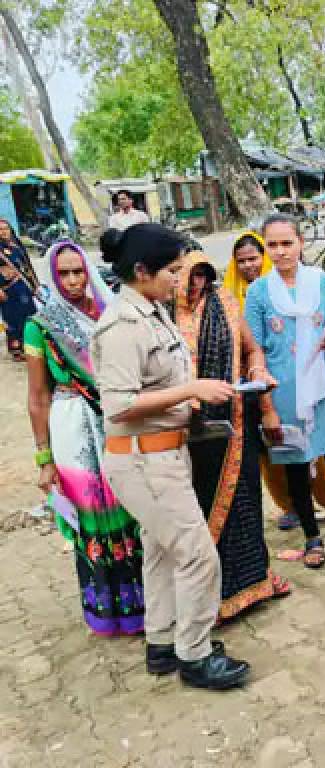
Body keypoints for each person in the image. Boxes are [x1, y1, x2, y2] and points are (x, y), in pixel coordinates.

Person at [92, 222, 249, 690]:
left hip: (162, 455)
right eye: (172, 272)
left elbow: (156, 387)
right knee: (199, 557)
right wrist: (190, 389)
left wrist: (189, 399)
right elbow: (118, 405)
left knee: (161, 553)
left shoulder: (151, 313)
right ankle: (196, 656)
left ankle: (162, 643)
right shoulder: (121, 326)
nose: (179, 281)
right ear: (141, 271)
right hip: (142, 460)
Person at [24, 239, 144, 636]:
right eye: (65, 274)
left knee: (130, 507)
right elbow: (38, 396)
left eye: (79, 271)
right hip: (73, 428)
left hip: (116, 422)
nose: (74, 280)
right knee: (92, 517)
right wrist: (44, 458)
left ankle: (145, 605)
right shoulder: (41, 326)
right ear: (53, 279)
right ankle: (107, 612)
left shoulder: (109, 314)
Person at [175, 249, 291, 620]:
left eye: (201, 276)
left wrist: (257, 371)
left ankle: (251, 583)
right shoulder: (160, 314)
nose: (195, 284)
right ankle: (208, 599)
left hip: (234, 424)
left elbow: (254, 350)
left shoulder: (224, 303)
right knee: (197, 509)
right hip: (182, 432)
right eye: (186, 275)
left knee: (242, 506)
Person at [246, 213, 325, 567]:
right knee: (295, 463)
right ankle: (312, 537)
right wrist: (266, 404)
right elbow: (256, 349)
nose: (281, 252)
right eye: (274, 245)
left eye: (288, 243)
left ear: (301, 243)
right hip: (284, 388)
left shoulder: (321, 281)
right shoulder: (259, 291)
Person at [225, 231, 325, 531]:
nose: (248, 265)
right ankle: (291, 506)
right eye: (242, 261)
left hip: (295, 378)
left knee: (312, 442)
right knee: (274, 449)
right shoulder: (232, 295)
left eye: (253, 258)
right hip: (253, 381)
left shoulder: (298, 288)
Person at [0, 218, 40, 361]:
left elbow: (28, 266)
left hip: (24, 287)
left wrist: (35, 285)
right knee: (12, 318)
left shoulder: (17, 244)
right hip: (8, 290)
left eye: (6, 228)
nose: (4, 231)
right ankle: (16, 350)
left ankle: (30, 345)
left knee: (29, 315)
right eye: (0, 229)